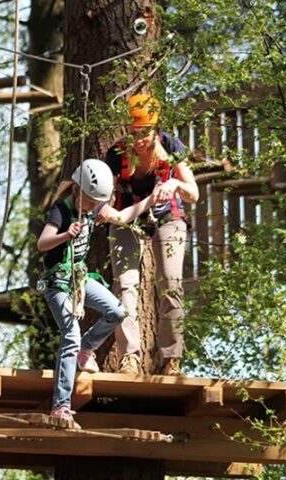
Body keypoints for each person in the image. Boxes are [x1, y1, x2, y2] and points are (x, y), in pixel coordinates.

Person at [37, 159, 161, 425]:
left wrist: (151, 199)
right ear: (77, 190)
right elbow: (42, 244)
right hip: (58, 282)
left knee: (117, 311)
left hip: (79, 279)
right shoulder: (61, 210)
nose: (93, 207)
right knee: (69, 335)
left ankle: (86, 349)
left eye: (96, 203)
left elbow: (123, 216)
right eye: (90, 201)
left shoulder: (94, 208)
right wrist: (65, 235)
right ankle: (61, 406)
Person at [105, 94, 199, 376]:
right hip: (127, 218)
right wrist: (106, 211)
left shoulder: (170, 145)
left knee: (170, 283)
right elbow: (106, 197)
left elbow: (193, 193)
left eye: (143, 132)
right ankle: (129, 357)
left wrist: (173, 183)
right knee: (125, 286)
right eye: (132, 132)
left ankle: (171, 360)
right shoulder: (117, 153)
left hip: (167, 216)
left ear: (155, 128)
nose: (138, 139)